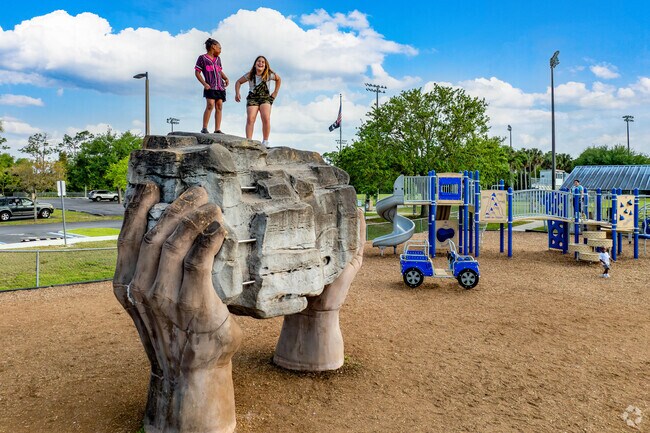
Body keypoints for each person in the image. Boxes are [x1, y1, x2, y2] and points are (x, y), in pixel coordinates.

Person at [234, 55, 281, 145]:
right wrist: (237, 93)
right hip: (253, 98)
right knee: (250, 118)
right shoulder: (250, 75)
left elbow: (279, 80)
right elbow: (238, 82)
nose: (261, 63)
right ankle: (249, 140)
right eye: (259, 61)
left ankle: (265, 141)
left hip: (265, 98)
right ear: (255, 64)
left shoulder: (269, 75)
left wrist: (275, 92)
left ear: (265, 65)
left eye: (263, 62)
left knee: (266, 118)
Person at [195, 38, 229, 134]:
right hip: (210, 86)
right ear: (213, 47)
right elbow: (197, 73)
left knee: (219, 106)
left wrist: (225, 78)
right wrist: (204, 84)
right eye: (220, 48)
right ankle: (204, 128)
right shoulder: (202, 58)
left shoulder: (218, 59)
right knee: (210, 105)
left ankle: (217, 129)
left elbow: (219, 70)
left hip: (220, 87)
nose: (220, 51)